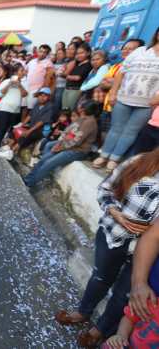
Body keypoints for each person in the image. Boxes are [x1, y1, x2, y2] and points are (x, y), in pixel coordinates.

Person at [55, 147, 159, 347]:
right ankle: (82, 312)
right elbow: (105, 188)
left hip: (147, 252)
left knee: (124, 294)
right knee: (100, 278)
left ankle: (100, 330)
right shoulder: (141, 161)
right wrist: (115, 212)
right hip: (113, 235)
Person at [93, 27, 159, 172]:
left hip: (146, 104)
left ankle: (114, 159)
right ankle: (104, 156)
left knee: (130, 132)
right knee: (115, 129)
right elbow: (121, 73)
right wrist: (113, 93)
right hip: (124, 98)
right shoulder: (140, 51)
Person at [23, 101, 98, 187]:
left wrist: (61, 146)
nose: (79, 108)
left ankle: (29, 183)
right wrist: (59, 143)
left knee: (49, 163)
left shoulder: (90, 122)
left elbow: (76, 141)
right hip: (66, 146)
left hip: (77, 151)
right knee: (44, 159)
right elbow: (67, 132)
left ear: (84, 109)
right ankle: (28, 179)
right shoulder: (82, 118)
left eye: (81, 107)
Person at [105, 258, 159, 348]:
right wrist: (121, 335)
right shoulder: (154, 303)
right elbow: (130, 318)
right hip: (128, 344)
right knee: (109, 345)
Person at [98, 39, 145, 142]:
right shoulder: (115, 66)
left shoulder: (141, 69)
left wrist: (113, 82)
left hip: (123, 108)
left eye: (131, 49)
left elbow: (131, 86)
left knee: (117, 135)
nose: (126, 51)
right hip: (107, 106)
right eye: (124, 48)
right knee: (104, 133)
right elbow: (102, 83)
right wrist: (117, 82)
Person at [0, 87, 53, 161]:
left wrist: (29, 131)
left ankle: (11, 153)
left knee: (27, 134)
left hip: (41, 130)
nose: (42, 97)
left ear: (48, 97)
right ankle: (8, 147)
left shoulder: (50, 107)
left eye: (45, 96)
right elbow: (29, 116)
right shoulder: (37, 105)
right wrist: (21, 124)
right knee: (15, 128)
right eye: (41, 95)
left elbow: (42, 122)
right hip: (33, 127)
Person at [0, 64, 28, 149]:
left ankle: (2, 146)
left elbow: (24, 94)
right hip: (4, 109)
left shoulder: (24, 83)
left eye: (24, 71)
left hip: (15, 111)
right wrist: (9, 84)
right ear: (15, 72)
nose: (23, 73)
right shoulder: (6, 81)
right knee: (1, 129)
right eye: (21, 71)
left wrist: (19, 85)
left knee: (9, 131)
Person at [62, 43, 92, 111]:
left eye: (82, 53)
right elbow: (66, 72)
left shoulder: (88, 64)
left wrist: (64, 75)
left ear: (88, 53)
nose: (79, 55)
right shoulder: (76, 64)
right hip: (67, 89)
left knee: (71, 111)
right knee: (64, 111)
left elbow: (77, 78)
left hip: (75, 90)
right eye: (77, 53)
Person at [25, 44, 53, 112]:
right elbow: (26, 72)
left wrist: (40, 91)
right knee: (25, 107)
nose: (42, 53)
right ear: (38, 51)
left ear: (47, 54)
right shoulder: (32, 61)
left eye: (45, 52)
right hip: (27, 87)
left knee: (32, 109)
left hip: (37, 89)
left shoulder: (49, 63)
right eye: (41, 51)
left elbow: (48, 79)